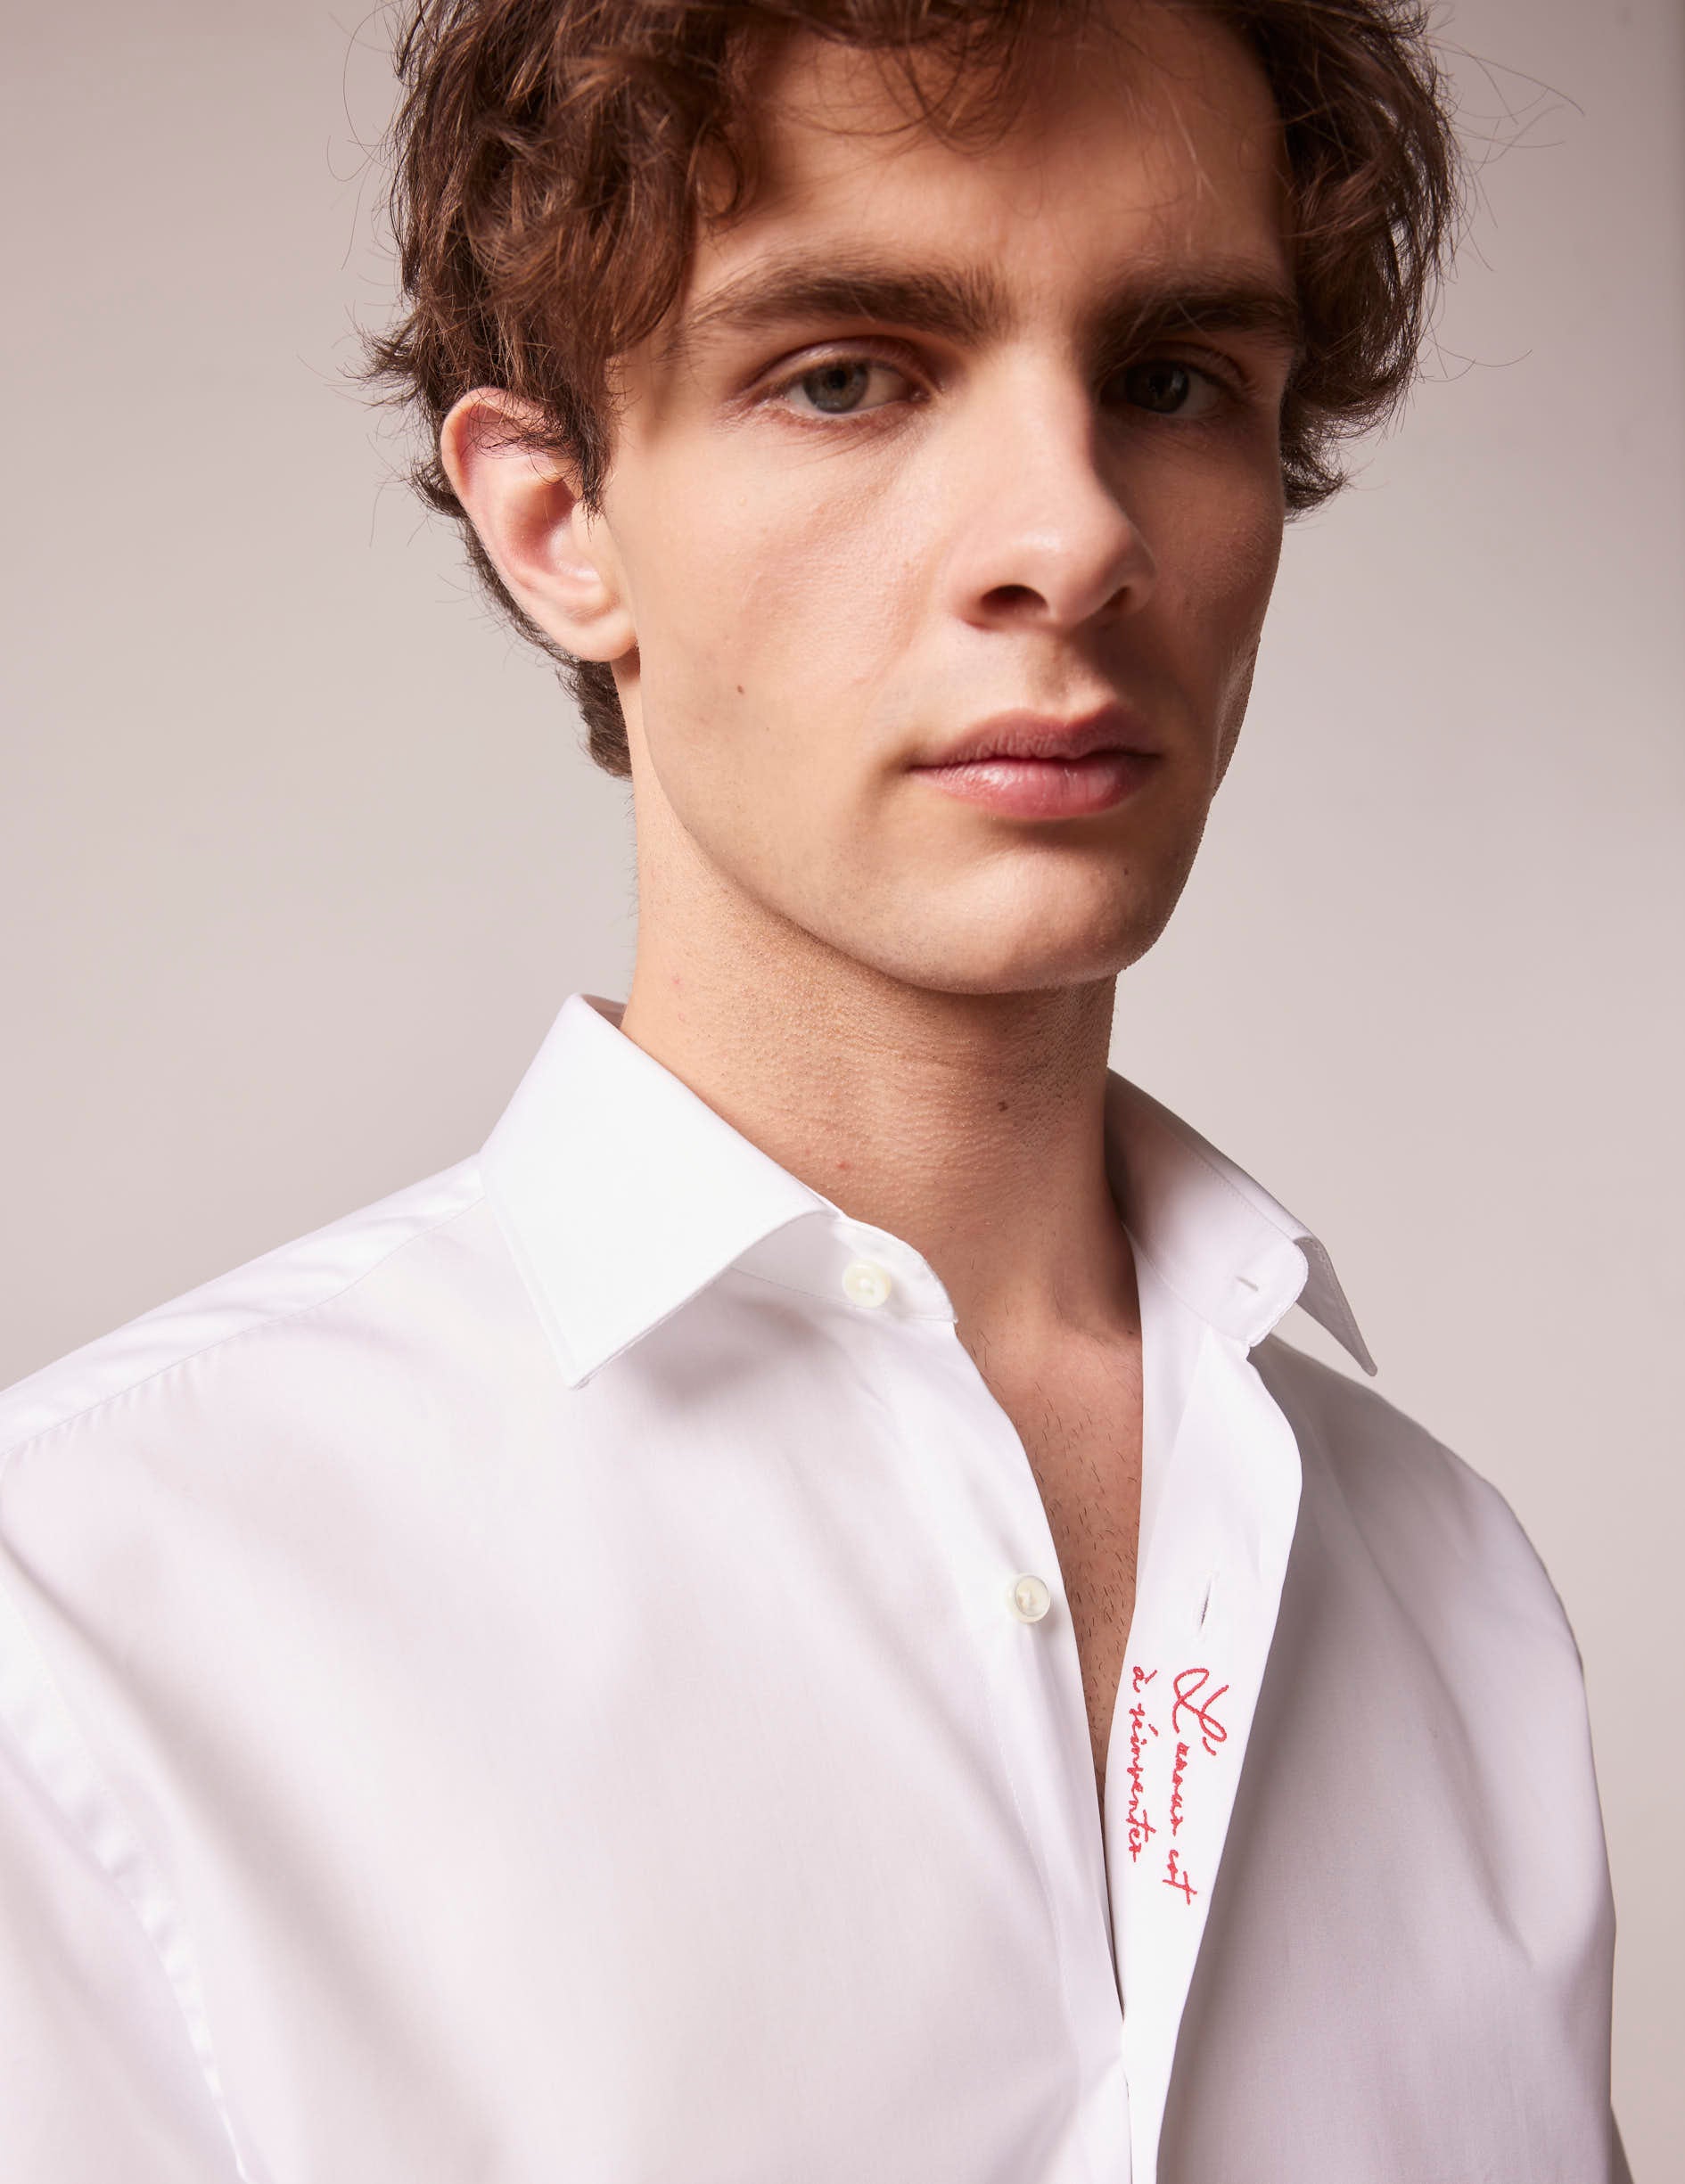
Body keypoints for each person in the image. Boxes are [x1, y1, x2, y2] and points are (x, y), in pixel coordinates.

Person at [0, 1, 1632, 2177]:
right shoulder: (86, 1619)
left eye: (1171, 378)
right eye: (848, 375)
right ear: (558, 519)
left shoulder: (1454, 1592)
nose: (1072, 539)